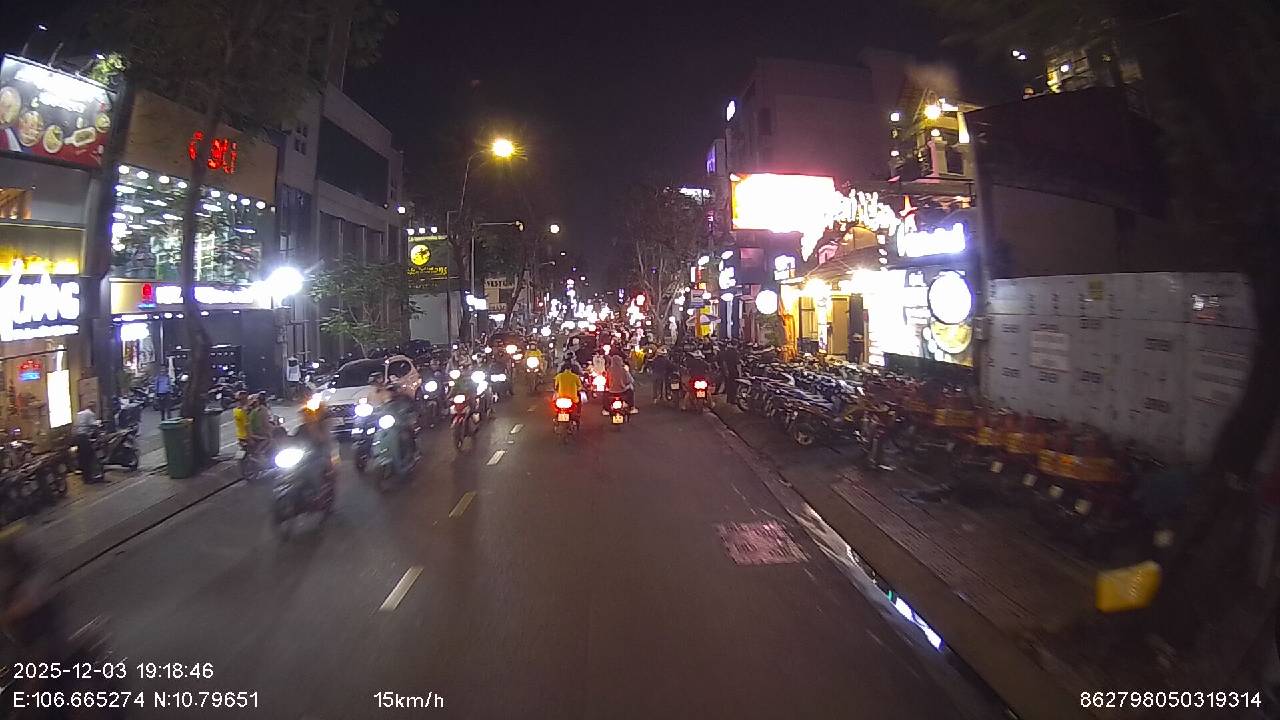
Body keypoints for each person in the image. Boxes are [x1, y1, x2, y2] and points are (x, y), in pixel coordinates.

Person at [74, 402, 102, 484]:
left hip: (77, 437)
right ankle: (89, 478)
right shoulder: (90, 414)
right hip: (84, 437)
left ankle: (85, 476)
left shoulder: (79, 414)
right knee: (89, 457)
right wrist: (99, 423)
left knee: (82, 457)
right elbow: (94, 424)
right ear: (93, 407)